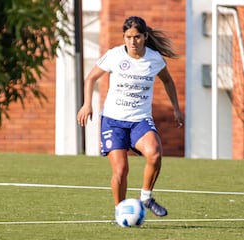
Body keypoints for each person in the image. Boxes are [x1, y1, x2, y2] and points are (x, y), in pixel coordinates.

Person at [77, 16, 184, 217]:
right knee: (120, 170)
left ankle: (146, 196)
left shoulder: (154, 59)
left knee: (155, 153)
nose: (132, 42)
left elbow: (168, 81)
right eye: (128, 37)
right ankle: (121, 213)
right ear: (123, 37)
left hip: (140, 120)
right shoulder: (114, 55)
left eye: (136, 37)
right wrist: (86, 104)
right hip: (113, 120)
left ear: (144, 36)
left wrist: (176, 109)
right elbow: (91, 78)